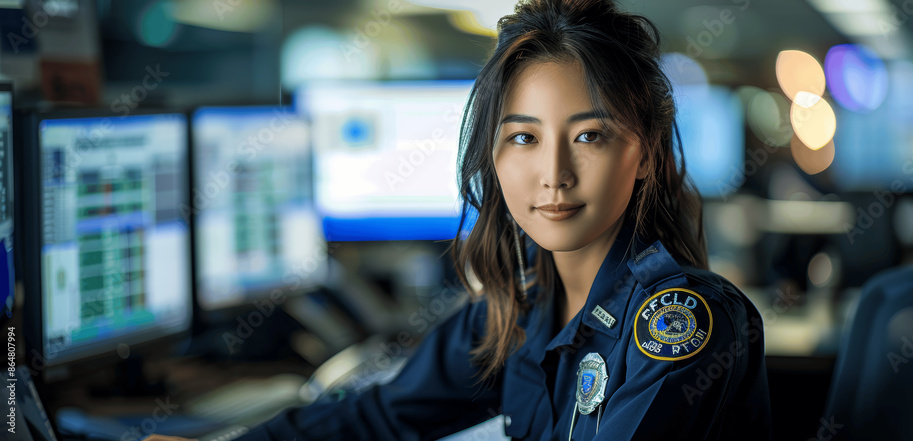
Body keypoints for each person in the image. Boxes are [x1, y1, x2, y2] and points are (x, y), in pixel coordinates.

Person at [145, 0, 771, 439]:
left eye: (589, 137)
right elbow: (382, 416)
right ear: (492, 157)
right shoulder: (521, 303)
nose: (553, 173)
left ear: (646, 156)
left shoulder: (683, 327)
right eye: (523, 139)